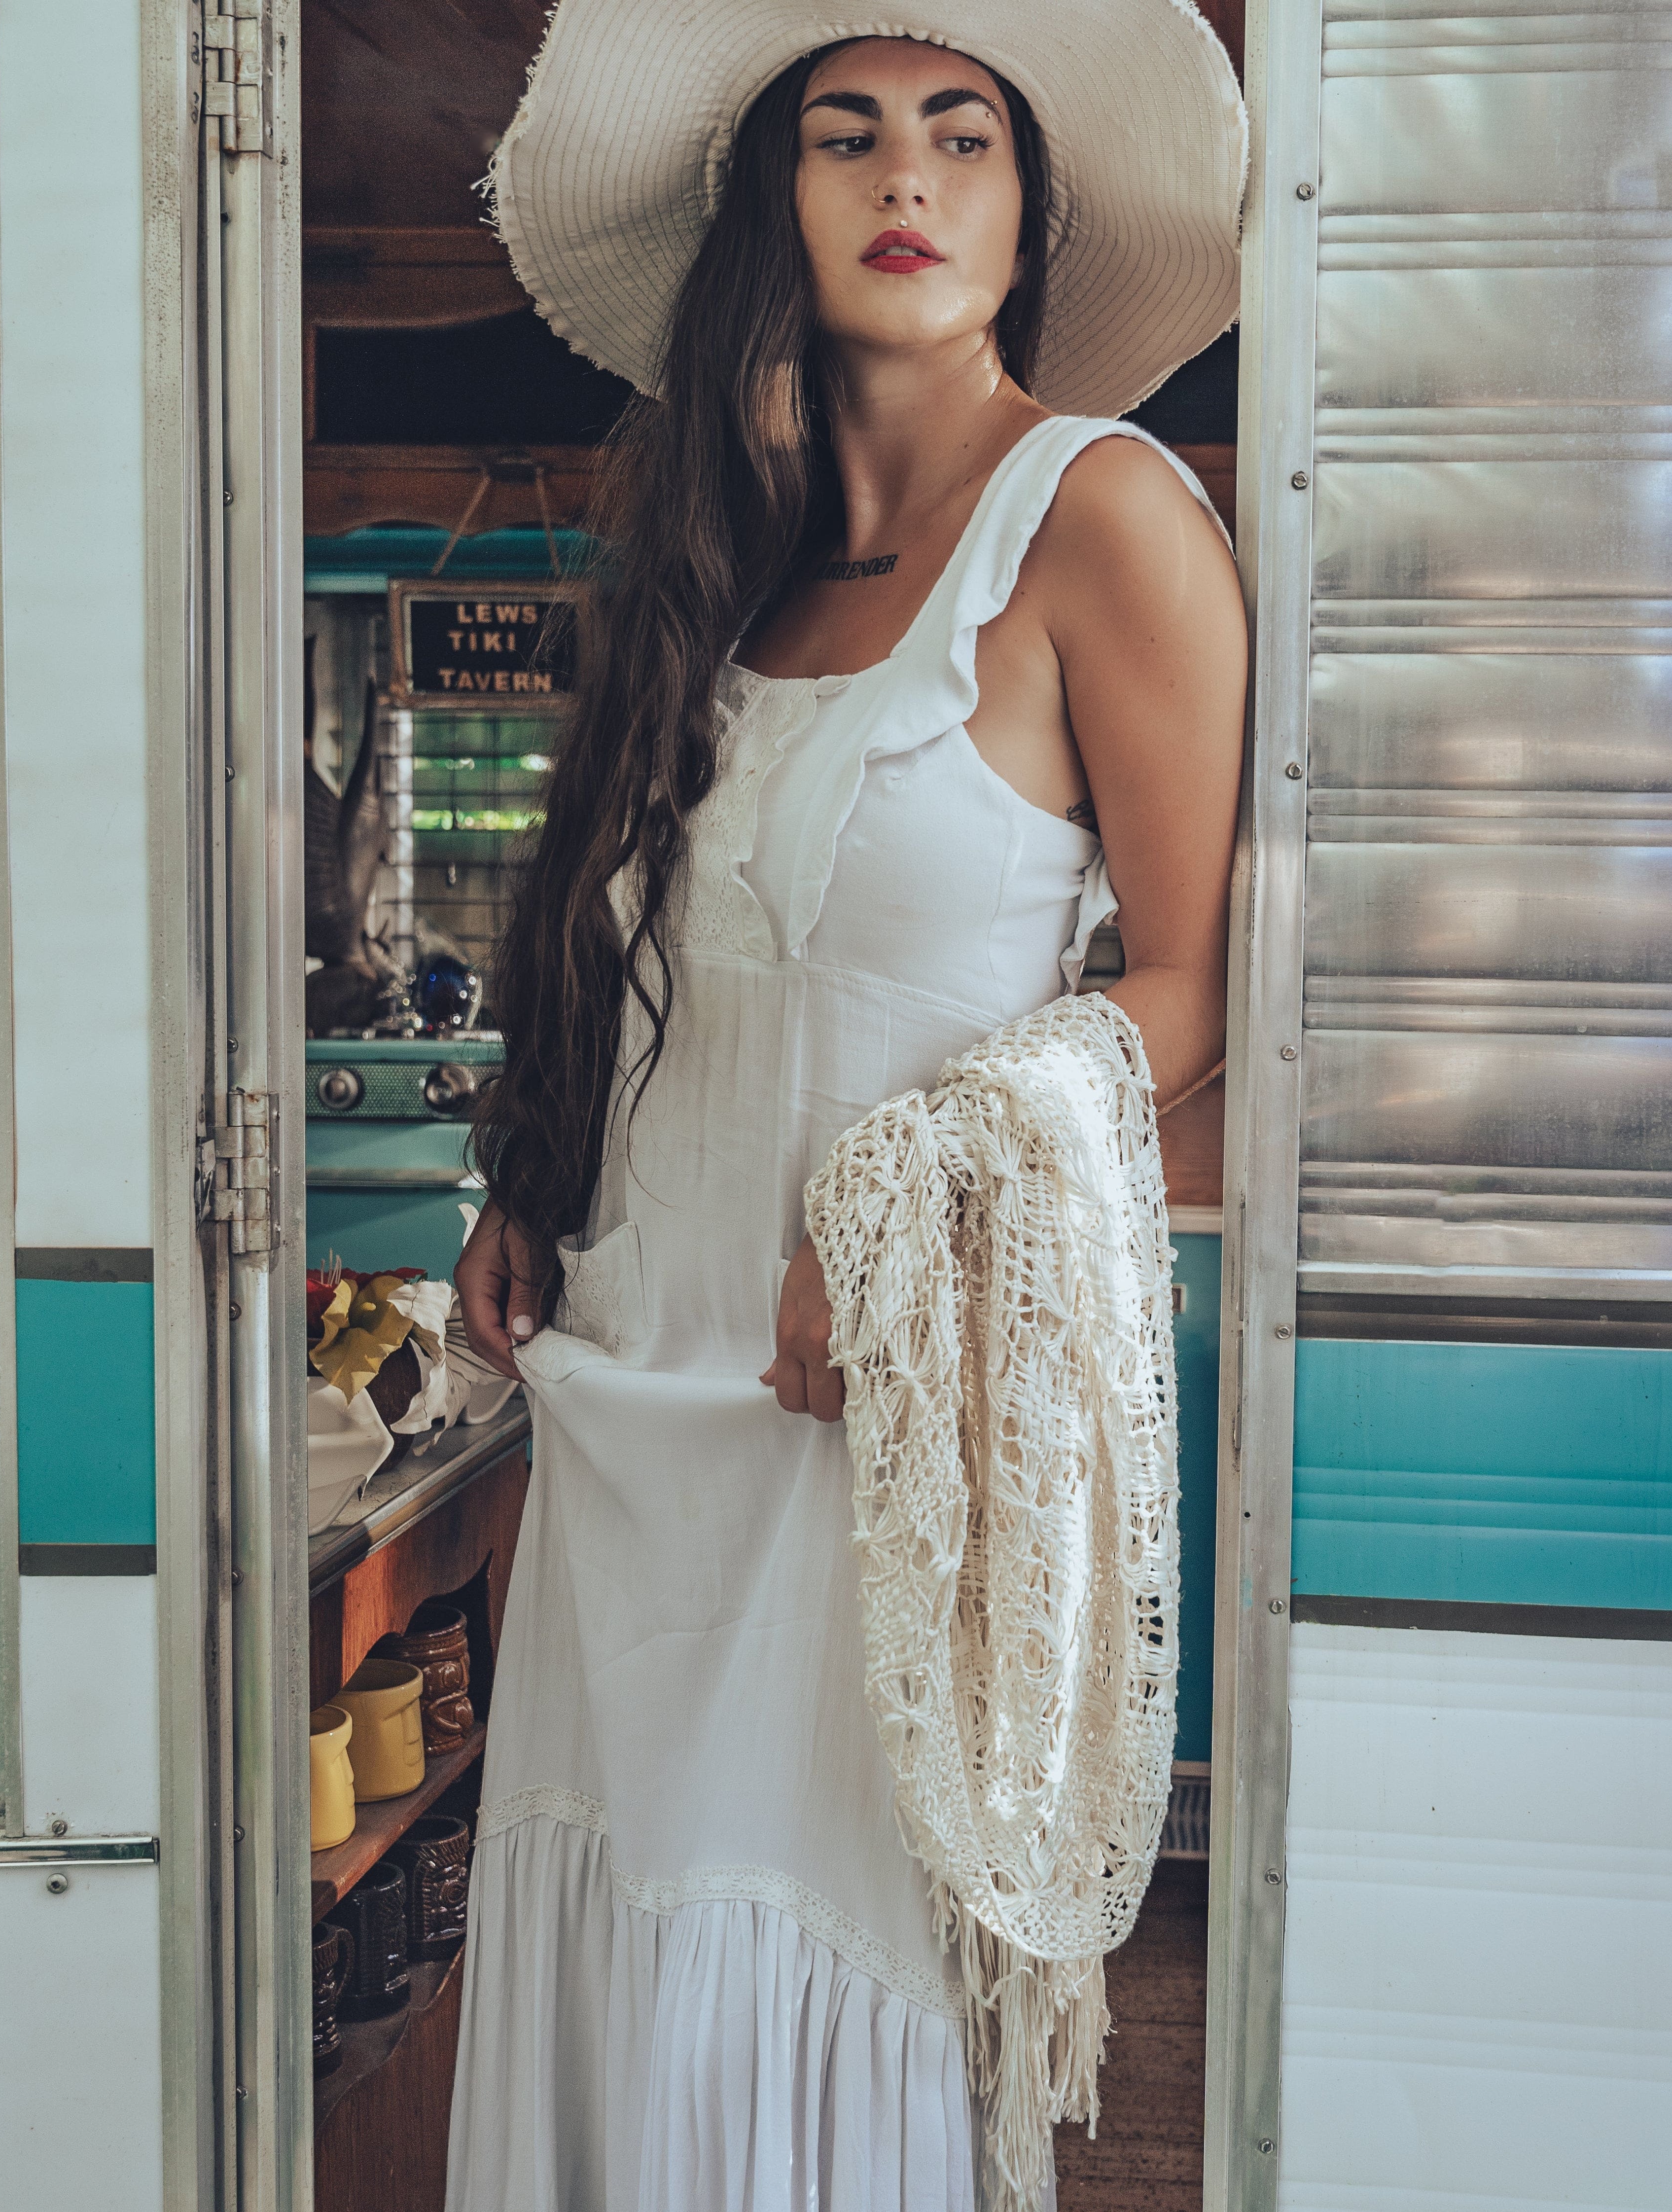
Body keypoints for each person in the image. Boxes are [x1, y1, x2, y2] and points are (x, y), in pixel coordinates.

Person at [447, 6, 1246, 2206]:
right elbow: (659, 980)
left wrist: (914, 1190)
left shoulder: (1100, 520)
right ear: (770, 210)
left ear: (1026, 206)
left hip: (868, 1418)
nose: (905, 182)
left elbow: (1198, 982)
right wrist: (534, 1172)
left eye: (959, 136)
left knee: (810, 1980)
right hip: (630, 1397)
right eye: (846, 136)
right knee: (609, 1954)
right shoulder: (724, 567)